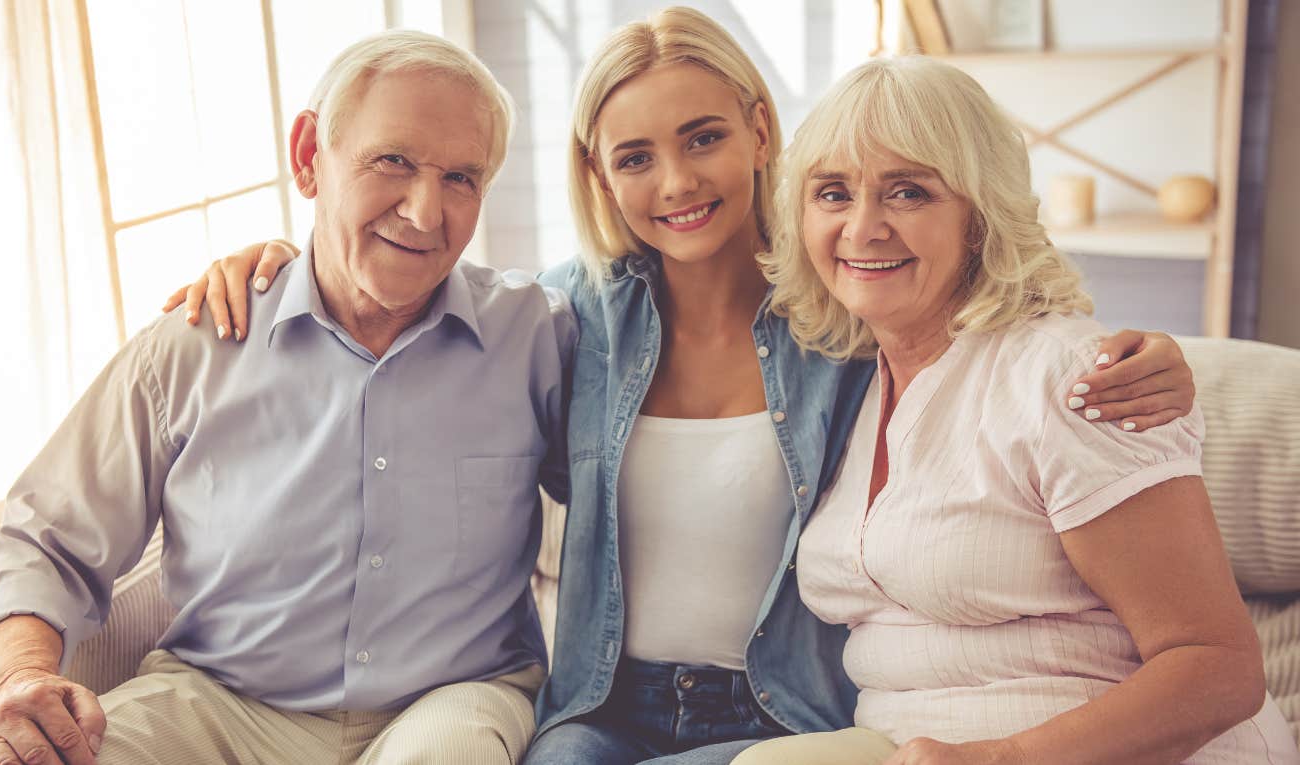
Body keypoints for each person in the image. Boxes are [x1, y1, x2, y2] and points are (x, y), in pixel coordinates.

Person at [165, 9, 1198, 764]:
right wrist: (276, 261)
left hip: (786, 708)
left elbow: (985, 304)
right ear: (598, 175)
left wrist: (1158, 355)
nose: (676, 184)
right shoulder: (563, 320)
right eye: (635, 157)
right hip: (602, 709)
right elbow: (407, 303)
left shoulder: (842, 312)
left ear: (757, 130)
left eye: (702, 138)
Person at [0, 30, 575, 765]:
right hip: (219, 702)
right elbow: (46, 536)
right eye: (394, 161)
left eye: (461, 178)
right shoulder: (199, 340)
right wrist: (24, 674)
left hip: (452, 696)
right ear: (308, 154)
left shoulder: (535, 333)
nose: (423, 210)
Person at [730, 56, 1298, 764]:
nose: (864, 226)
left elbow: (1218, 666)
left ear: (979, 215)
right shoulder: (848, 383)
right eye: (834, 193)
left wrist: (996, 758)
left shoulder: (1066, 380)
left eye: (908, 192)